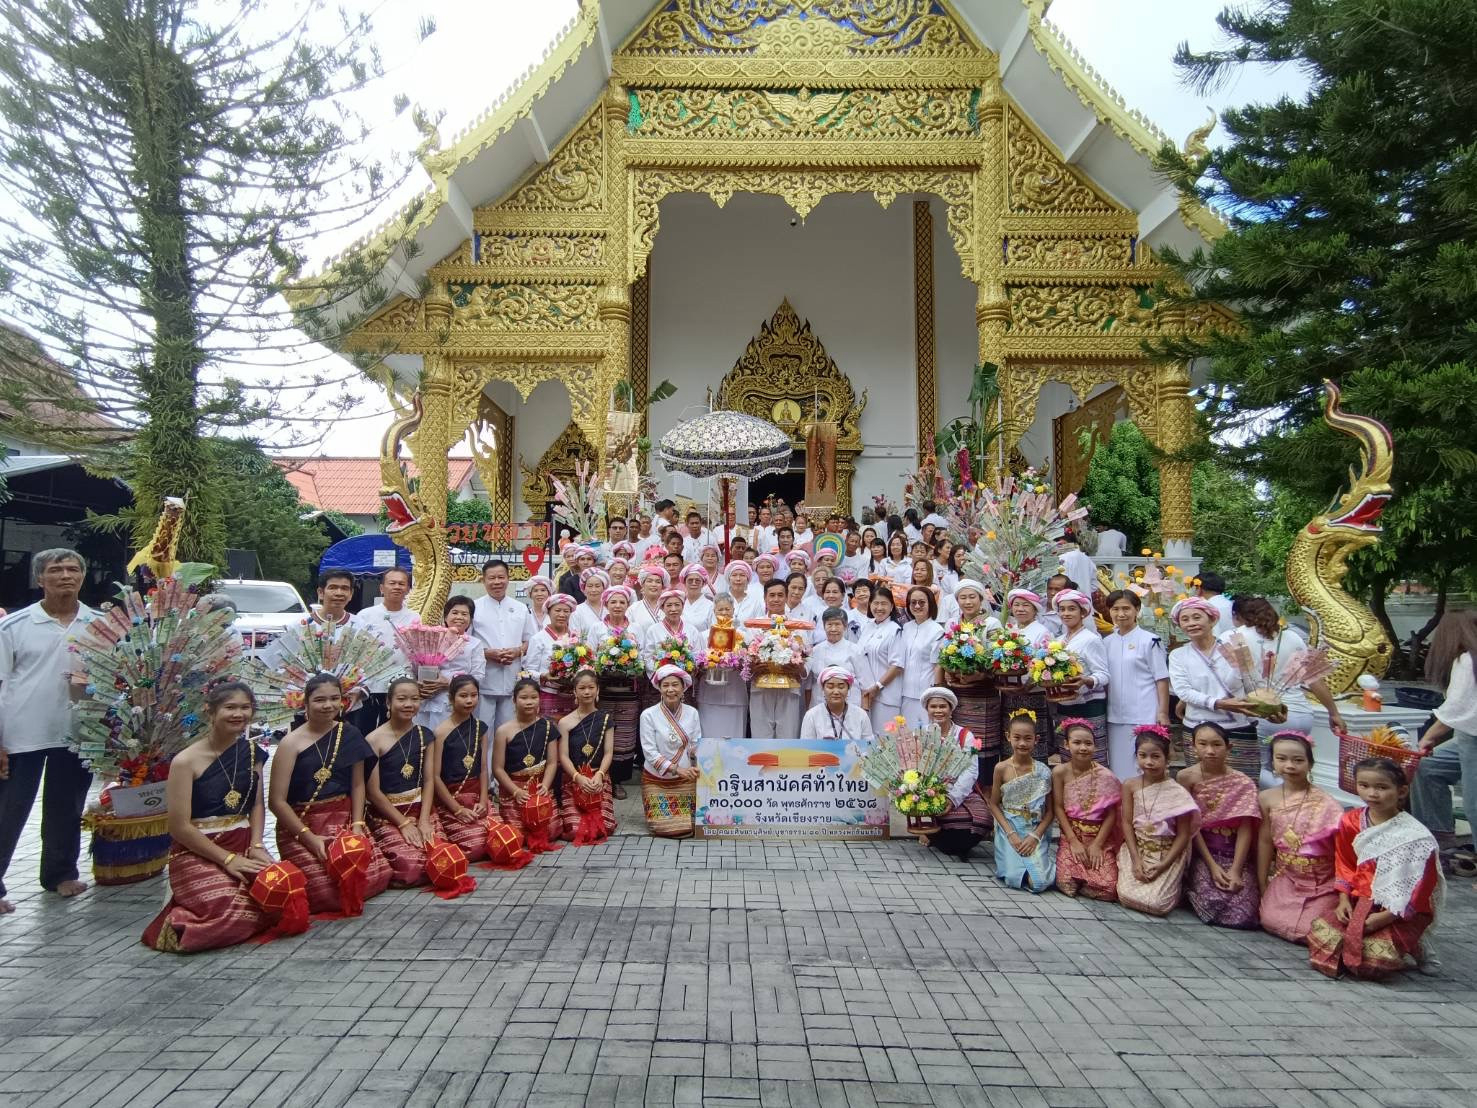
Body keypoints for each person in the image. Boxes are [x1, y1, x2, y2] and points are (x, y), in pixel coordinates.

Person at [142, 681, 290, 952]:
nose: (239, 714)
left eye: (245, 708)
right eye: (230, 707)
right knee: (226, 906)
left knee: (281, 894)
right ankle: (179, 925)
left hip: (243, 843)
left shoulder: (253, 753)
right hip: (196, 850)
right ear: (210, 712)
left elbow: (256, 804)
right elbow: (178, 826)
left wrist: (257, 846)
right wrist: (227, 860)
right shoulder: (186, 761)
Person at [0, 548, 95, 913]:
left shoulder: (98, 624)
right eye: (56, 570)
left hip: (76, 732)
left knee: (66, 808)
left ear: (82, 577)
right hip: (21, 733)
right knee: (8, 811)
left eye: (73, 569)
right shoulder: (14, 626)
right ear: (40, 579)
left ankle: (60, 873)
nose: (66, 576)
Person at [1307, 758, 1440, 980]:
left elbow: (1421, 887)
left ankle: (1418, 943)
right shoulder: (1350, 821)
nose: (1372, 794)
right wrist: (1343, 901)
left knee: (1377, 963)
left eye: (1382, 787)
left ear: (1402, 791)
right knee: (1325, 941)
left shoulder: (1416, 835)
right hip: (1359, 899)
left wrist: (1386, 917)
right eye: (1364, 785)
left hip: (1398, 907)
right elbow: (1345, 862)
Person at [269, 673, 391, 915]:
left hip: (343, 819)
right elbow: (276, 801)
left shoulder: (350, 734)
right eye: (320, 700)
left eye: (335, 699)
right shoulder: (290, 743)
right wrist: (309, 838)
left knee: (378, 876)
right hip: (303, 825)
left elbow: (358, 785)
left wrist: (357, 825)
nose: (328, 706)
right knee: (325, 892)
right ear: (305, 703)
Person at [1221, 596, 1345, 784]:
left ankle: (1284, 806)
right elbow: (1314, 679)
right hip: (1301, 714)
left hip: (1263, 713)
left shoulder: (1236, 637)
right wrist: (1333, 712)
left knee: (1264, 768)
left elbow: (1231, 683)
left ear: (1237, 616)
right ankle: (1300, 801)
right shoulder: (1293, 637)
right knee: (1296, 765)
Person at [1257, 731, 1343, 942]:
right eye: (1282, 759)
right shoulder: (1266, 798)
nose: (1290, 766)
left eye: (1298, 760)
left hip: (1322, 880)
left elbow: (1342, 851)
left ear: (1310, 764)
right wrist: (1262, 883)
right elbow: (1265, 840)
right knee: (1270, 920)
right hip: (1287, 876)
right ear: (1273, 762)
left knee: (1310, 930)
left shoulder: (1327, 804)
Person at [1168, 597, 1265, 773]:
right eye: (1185, 619)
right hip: (1198, 729)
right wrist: (1219, 703)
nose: (1191, 623)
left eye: (1197, 617)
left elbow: (1254, 683)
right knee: (1203, 788)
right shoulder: (1178, 655)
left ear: (1212, 620)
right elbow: (1183, 691)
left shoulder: (1236, 648)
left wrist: (1268, 708)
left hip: (1237, 727)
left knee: (1243, 787)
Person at [1179, 722, 1261, 928]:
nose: (1210, 751)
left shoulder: (1243, 783)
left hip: (1235, 855)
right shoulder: (1185, 777)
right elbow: (1191, 825)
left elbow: (1245, 828)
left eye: (1217, 745)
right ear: (1193, 746)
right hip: (1202, 853)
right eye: (1203, 744)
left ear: (1229, 748)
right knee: (1213, 900)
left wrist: (1235, 869)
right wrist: (1212, 866)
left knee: (1243, 910)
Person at [1411, 611, 1477, 865]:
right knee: (1428, 767)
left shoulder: (1468, 660)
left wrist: (1427, 738)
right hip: (1467, 732)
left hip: (1472, 734)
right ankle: (1439, 838)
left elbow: (1457, 709)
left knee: (1473, 802)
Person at [1116, 726, 1200, 916]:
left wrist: (1163, 865)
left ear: (1167, 757)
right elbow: (1127, 823)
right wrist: (1136, 860)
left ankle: (1178, 886)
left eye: (1155, 756)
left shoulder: (1177, 792)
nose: (1149, 762)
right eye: (1142, 756)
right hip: (1138, 849)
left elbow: (1183, 835)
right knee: (1125, 895)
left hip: (1166, 854)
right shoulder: (1130, 785)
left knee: (1157, 904)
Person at [364, 678, 439, 887]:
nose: (409, 704)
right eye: (402, 699)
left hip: (420, 809)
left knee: (440, 858)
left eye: (414, 699)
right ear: (388, 703)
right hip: (387, 814)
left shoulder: (425, 736)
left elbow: (429, 780)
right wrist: (404, 823)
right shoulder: (374, 740)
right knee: (411, 868)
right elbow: (373, 792)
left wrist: (424, 820)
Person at [1103, 589, 1171, 780]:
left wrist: (1163, 712)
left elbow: (1161, 678)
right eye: (1115, 609)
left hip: (1144, 712)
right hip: (1115, 715)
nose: (1121, 614)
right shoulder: (1107, 642)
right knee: (1119, 768)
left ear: (1137, 610)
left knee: (1144, 766)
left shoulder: (1149, 641)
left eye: (1126, 608)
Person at [1052, 720, 1123, 901]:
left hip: (1098, 836)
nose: (1083, 748)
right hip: (1072, 834)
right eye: (1077, 743)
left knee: (1108, 889)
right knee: (1066, 883)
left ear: (1095, 746)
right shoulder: (1059, 772)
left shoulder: (1106, 776)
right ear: (1066, 745)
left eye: (1088, 743)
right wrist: (1073, 841)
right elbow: (1058, 807)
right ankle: (1080, 877)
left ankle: (1087, 880)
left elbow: (1111, 814)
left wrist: (1098, 844)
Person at [987, 709, 1056, 891]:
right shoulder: (1001, 768)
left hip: (1034, 828)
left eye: (1028, 738)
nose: (1022, 743)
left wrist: (1035, 836)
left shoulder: (1043, 772)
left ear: (1036, 739)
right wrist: (1010, 834)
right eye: (1017, 738)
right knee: (1012, 877)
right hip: (1010, 827)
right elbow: (993, 804)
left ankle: (1055, 867)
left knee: (1038, 882)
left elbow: (1050, 812)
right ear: (1008, 737)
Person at [922, 687, 991, 862]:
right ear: (927, 710)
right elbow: (917, 770)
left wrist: (953, 799)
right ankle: (929, 833)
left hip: (962, 791)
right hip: (932, 791)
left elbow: (971, 770)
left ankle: (952, 841)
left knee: (981, 819)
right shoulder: (922, 734)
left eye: (943, 706)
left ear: (951, 709)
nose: (938, 711)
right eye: (933, 707)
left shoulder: (965, 735)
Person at [349, 567, 420, 734]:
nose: (397, 587)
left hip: (400, 686)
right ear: (382, 588)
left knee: (395, 734)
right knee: (364, 733)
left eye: (402, 584)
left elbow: (416, 653)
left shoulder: (415, 618)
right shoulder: (365, 615)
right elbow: (355, 652)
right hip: (369, 686)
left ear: (408, 589)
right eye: (392, 583)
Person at [492, 676, 561, 843]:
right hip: (514, 790)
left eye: (533, 697)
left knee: (551, 832)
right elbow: (498, 769)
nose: (529, 702)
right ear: (514, 700)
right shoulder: (504, 731)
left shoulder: (547, 727)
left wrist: (545, 785)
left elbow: (552, 762)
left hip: (539, 789)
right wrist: (516, 791)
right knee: (517, 836)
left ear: (540, 699)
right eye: (523, 698)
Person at [431, 675, 490, 863]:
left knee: (502, 837)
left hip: (476, 798)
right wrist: (457, 810)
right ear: (451, 698)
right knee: (475, 846)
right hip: (451, 799)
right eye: (463, 695)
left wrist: (483, 800)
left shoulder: (480, 728)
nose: (469, 700)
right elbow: (435, 776)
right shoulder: (440, 732)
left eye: (474, 695)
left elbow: (482, 769)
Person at [472, 560, 535, 732]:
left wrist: (517, 651)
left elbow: (530, 640)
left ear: (508, 578)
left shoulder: (521, 608)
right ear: (483, 580)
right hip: (484, 680)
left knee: (509, 731)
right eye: (491, 578)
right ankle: (484, 760)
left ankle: (504, 760)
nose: (497, 582)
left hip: (512, 679)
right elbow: (466, 641)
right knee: (483, 732)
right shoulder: (474, 608)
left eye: (501, 577)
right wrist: (486, 653)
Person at [1049, 589, 1109, 764]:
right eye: (1062, 609)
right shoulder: (1058, 641)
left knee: (1091, 757)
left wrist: (1087, 680)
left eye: (1071, 609)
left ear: (1082, 612)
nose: (1066, 613)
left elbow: (1104, 674)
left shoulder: (1091, 639)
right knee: (1068, 757)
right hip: (1064, 704)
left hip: (1089, 706)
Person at [640, 665, 701, 838]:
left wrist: (697, 765)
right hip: (656, 779)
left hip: (685, 779)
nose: (670, 690)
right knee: (667, 828)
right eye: (665, 685)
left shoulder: (693, 713)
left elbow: (696, 744)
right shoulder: (648, 715)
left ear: (684, 688)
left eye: (675, 685)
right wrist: (677, 769)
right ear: (659, 688)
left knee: (690, 826)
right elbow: (650, 752)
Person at [558, 668, 616, 843]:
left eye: (591, 687)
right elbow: (563, 756)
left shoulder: (606, 719)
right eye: (582, 688)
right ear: (574, 691)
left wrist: (599, 775)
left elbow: (608, 752)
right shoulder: (564, 722)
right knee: (576, 830)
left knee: (604, 828)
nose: (587, 692)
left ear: (597, 690)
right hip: (573, 781)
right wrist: (578, 778)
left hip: (599, 780)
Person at [414, 596, 487, 730]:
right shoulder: (431, 639)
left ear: (470, 620)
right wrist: (419, 683)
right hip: (426, 698)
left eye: (465, 614)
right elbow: (416, 666)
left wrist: (449, 682)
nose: (459, 617)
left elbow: (478, 677)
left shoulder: (475, 644)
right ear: (445, 617)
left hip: (457, 701)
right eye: (454, 613)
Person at [747, 580, 809, 739]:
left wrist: (799, 668)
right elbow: (745, 659)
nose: (776, 599)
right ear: (765, 598)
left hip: (789, 689)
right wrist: (752, 667)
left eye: (780, 595)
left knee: (787, 737)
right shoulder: (754, 626)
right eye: (772, 595)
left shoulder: (798, 627)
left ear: (787, 597)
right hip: (760, 688)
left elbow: (807, 661)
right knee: (760, 738)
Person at [526, 593, 583, 720]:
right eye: (557, 610)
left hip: (573, 696)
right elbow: (528, 670)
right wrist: (544, 676)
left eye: (566, 611)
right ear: (549, 612)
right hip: (548, 695)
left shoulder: (576, 638)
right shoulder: (538, 638)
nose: (562, 615)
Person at [856, 589, 904, 736]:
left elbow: (897, 666)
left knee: (886, 741)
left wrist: (877, 687)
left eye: (884, 604)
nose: (879, 608)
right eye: (876, 603)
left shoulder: (895, 630)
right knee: (866, 740)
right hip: (865, 694)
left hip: (886, 696)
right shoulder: (868, 626)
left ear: (891, 607)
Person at [897, 586, 944, 729]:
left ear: (930, 604)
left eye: (922, 602)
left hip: (925, 693)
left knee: (924, 736)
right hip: (903, 692)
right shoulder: (905, 628)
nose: (917, 606)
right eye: (913, 602)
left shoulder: (937, 630)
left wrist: (936, 693)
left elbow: (938, 665)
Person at [807, 607, 861, 710]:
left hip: (850, 705)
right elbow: (808, 685)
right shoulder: (815, 650)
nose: (833, 629)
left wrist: (864, 709)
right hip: (819, 704)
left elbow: (865, 683)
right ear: (824, 626)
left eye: (837, 624)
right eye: (829, 624)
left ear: (845, 626)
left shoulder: (855, 650)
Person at [800, 667, 874, 741]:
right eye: (830, 687)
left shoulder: (861, 715)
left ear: (848, 688)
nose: (836, 692)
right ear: (823, 688)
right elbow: (806, 747)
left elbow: (870, 746)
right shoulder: (811, 715)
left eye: (841, 687)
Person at [570, 568, 609, 642]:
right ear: (584, 589)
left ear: (603, 589)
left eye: (597, 586)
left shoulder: (609, 609)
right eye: (590, 586)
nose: (593, 590)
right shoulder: (577, 611)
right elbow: (574, 638)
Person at [630, 565, 667, 631]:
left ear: (662, 586)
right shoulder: (633, 608)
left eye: (658, 582)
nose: (654, 585)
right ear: (643, 585)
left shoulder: (668, 606)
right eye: (649, 581)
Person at [681, 565, 715, 635]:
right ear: (684, 583)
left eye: (697, 581)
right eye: (690, 580)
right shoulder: (678, 603)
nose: (694, 583)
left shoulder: (710, 605)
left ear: (703, 584)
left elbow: (713, 630)